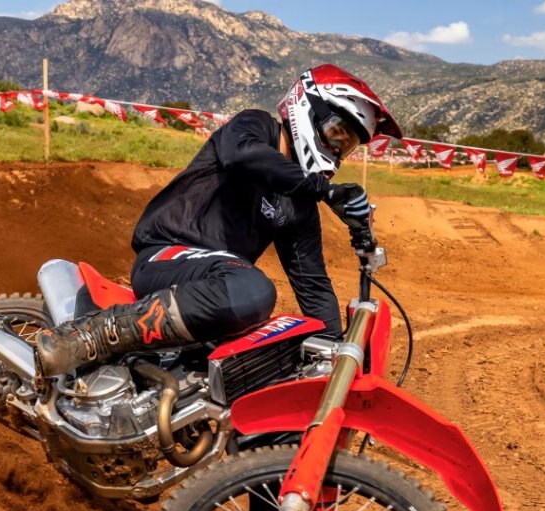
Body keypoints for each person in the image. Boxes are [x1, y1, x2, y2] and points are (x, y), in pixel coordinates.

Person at [32, 64, 402, 377]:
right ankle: (93, 334)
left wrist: (338, 354)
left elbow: (313, 286)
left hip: (214, 284)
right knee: (253, 290)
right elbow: (242, 155)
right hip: (166, 256)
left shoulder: (299, 205)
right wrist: (324, 190)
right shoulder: (255, 127)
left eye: (348, 144)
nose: (337, 149)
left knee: (267, 360)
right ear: (308, 107)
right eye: (337, 132)